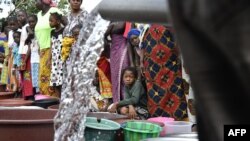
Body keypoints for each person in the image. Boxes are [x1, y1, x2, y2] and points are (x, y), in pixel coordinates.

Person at [141, 24, 188, 120]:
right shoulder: (146, 29)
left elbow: (178, 45)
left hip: (170, 65)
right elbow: (142, 48)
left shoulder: (168, 24)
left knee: (173, 87)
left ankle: (175, 117)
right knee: (157, 92)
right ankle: (160, 118)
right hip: (153, 68)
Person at [35, 0, 62, 97]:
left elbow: (65, 24)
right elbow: (39, 32)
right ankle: (45, 97)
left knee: (51, 75)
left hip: (52, 50)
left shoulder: (54, 10)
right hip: (42, 49)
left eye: (36, 0)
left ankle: (53, 98)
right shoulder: (38, 14)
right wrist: (38, 45)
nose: (35, 2)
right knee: (43, 76)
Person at [104, 22, 130, 103]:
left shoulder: (127, 21)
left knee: (125, 70)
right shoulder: (112, 22)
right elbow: (104, 36)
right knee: (115, 75)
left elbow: (129, 36)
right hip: (114, 50)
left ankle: (127, 101)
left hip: (124, 47)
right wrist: (109, 43)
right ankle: (117, 102)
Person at [17, 10, 33, 99]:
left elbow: (31, 34)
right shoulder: (23, 27)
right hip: (21, 53)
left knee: (27, 75)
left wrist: (28, 39)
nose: (20, 18)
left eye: (22, 15)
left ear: (26, 16)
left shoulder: (27, 27)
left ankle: (29, 94)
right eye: (18, 16)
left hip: (26, 54)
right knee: (22, 74)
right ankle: (25, 94)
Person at [49, 12, 64, 97]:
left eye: (51, 21)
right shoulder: (52, 32)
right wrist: (49, 58)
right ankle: (58, 99)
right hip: (55, 59)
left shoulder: (64, 30)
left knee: (62, 79)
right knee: (55, 80)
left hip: (62, 58)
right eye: (49, 21)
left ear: (58, 21)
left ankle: (63, 99)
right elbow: (51, 45)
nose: (49, 23)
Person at [26, 15, 40, 95]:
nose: (31, 23)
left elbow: (32, 32)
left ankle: (40, 94)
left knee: (39, 76)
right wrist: (28, 28)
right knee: (34, 77)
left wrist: (28, 28)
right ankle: (37, 94)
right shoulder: (30, 33)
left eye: (33, 21)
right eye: (29, 22)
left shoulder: (38, 31)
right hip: (33, 59)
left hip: (39, 58)